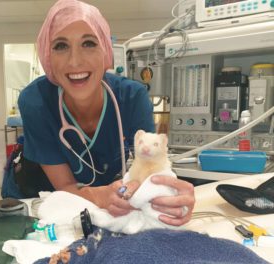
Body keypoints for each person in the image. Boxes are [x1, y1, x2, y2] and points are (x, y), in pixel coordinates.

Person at [18, 0, 195, 226]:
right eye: (61, 46)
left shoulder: (132, 98)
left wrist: (168, 192)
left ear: (106, 51)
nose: (75, 61)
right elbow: (64, 187)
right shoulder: (36, 101)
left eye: (89, 43)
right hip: (40, 199)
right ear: (47, 56)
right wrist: (102, 195)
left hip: (109, 201)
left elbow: (148, 169)